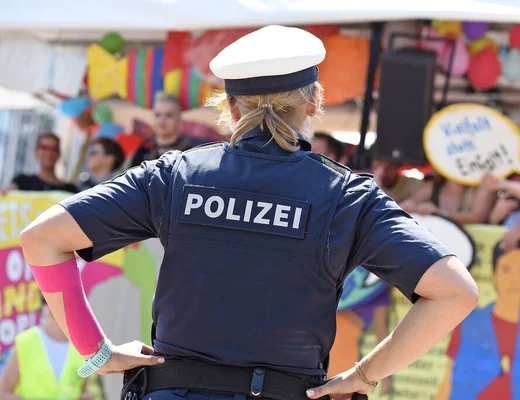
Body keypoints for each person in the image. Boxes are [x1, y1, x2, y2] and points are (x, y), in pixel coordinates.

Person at [20, 26, 478, 400]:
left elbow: (43, 238)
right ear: (315, 101)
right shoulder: (347, 196)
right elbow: (454, 292)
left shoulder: (175, 175)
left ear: (232, 105)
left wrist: (95, 352)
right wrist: (363, 375)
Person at [437, 239, 520, 400]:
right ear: (494, 275)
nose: (515, 279)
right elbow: (448, 383)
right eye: (506, 270)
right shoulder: (469, 325)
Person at [0, 293, 92, 399]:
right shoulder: (25, 341)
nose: (54, 307)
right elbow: (3, 393)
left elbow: (82, 391)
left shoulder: (83, 347)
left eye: (61, 303)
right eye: (47, 302)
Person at [130, 92, 199, 167]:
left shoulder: (190, 154)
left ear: (179, 120)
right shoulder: (142, 152)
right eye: (157, 115)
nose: (161, 121)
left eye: (168, 115)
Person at [2, 133, 78, 194]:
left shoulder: (70, 190)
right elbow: (10, 192)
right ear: (36, 152)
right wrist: (7, 193)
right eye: (44, 148)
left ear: (59, 154)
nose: (49, 152)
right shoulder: (22, 181)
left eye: (54, 149)